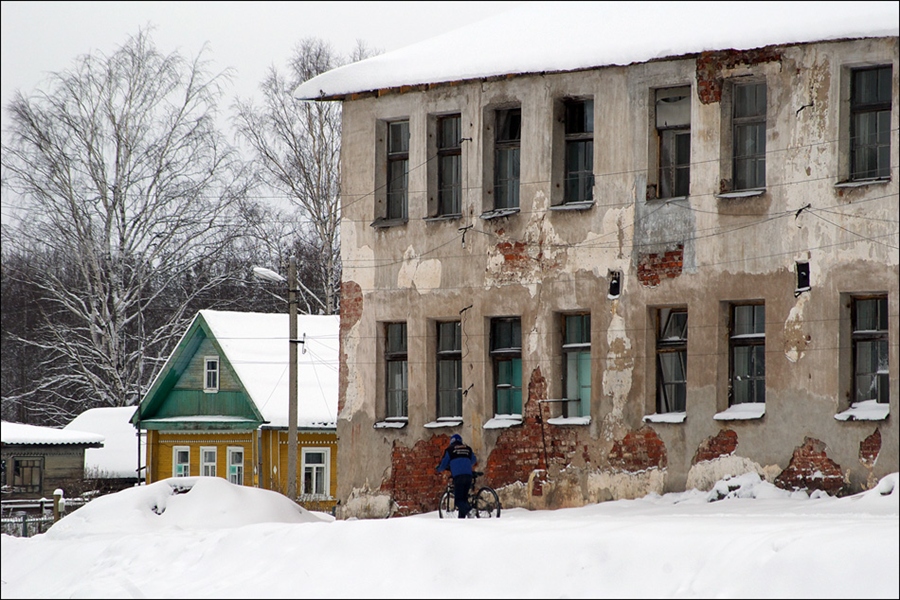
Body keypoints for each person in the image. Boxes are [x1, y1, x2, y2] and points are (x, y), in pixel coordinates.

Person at [436, 433, 478, 518]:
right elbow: (473, 460)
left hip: (458, 477)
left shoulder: (450, 450)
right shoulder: (468, 449)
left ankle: (469, 510)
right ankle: (461, 520)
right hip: (468, 476)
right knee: (464, 499)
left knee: (458, 500)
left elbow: (444, 464)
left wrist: (438, 469)